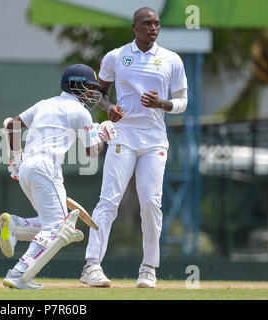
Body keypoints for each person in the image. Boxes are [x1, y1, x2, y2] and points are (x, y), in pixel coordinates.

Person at [80, 7, 188, 288]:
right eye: (147, 23)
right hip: (123, 135)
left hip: (154, 140)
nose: (153, 28)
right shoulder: (116, 57)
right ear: (134, 27)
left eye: (157, 24)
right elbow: (98, 93)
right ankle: (92, 266)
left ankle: (148, 268)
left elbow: (182, 102)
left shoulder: (171, 60)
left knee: (151, 202)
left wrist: (161, 104)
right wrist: (109, 107)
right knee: (109, 200)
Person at [0, 64, 117, 289]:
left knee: (50, 223)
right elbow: (92, 151)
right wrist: (103, 133)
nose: (93, 94)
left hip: (27, 168)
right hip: (46, 166)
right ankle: (19, 273)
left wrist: (15, 160)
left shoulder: (45, 104)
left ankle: (15, 224)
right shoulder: (80, 112)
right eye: (89, 88)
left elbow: (11, 125)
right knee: (59, 227)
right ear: (74, 85)